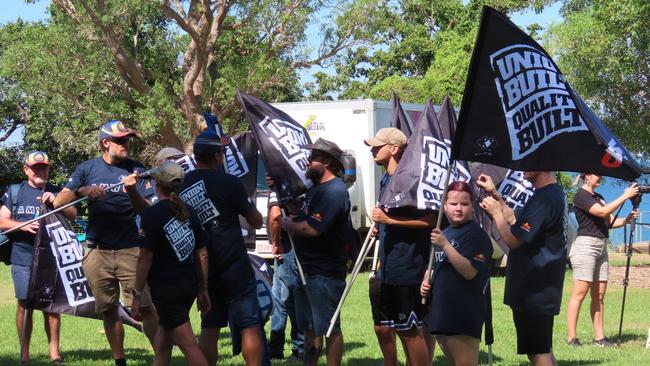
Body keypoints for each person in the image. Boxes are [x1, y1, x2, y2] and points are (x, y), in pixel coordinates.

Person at [53, 120, 158, 366]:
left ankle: (160, 357)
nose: (126, 144)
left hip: (131, 250)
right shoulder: (86, 169)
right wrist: (84, 190)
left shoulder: (137, 170)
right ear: (105, 142)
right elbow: (59, 203)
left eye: (127, 140)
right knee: (108, 309)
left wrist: (132, 191)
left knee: (145, 307)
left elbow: (149, 211)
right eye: (120, 140)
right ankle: (119, 360)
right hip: (97, 252)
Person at [179, 131, 264, 366]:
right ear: (217, 156)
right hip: (234, 263)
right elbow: (256, 221)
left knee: (210, 326)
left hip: (201, 265)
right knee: (249, 324)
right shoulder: (230, 182)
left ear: (196, 157)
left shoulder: (182, 184)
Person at [479, 171, 568, 366]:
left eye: (529, 163)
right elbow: (514, 220)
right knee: (542, 348)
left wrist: (495, 214)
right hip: (541, 285)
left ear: (544, 165)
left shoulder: (545, 198)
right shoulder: (551, 193)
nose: (523, 169)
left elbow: (513, 240)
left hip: (534, 288)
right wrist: (497, 196)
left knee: (538, 352)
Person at [364, 128, 435, 366]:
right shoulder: (386, 178)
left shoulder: (409, 178)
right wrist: (381, 228)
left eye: (377, 145)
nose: (373, 149)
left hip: (408, 266)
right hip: (389, 265)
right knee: (396, 327)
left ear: (394, 149)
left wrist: (389, 221)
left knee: (409, 330)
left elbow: (431, 219)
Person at [0, 151, 77, 363]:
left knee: (50, 306)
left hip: (50, 260)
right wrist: (23, 226)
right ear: (26, 170)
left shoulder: (56, 191)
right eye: (35, 168)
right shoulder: (15, 191)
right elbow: (2, 222)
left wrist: (57, 201)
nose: (40, 171)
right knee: (24, 304)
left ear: (49, 169)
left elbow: (73, 213)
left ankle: (55, 353)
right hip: (23, 257)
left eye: (44, 167)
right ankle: (24, 353)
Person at [281, 138, 351, 366]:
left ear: (327, 162)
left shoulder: (335, 192)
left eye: (313, 159)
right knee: (310, 327)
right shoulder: (317, 189)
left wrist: (286, 225)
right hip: (306, 270)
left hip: (325, 272)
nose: (308, 162)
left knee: (329, 327)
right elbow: (304, 216)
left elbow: (312, 229)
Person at [132, 161, 210, 366]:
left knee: (188, 345)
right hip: (189, 286)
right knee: (163, 342)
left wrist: (137, 295)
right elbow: (202, 254)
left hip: (167, 291)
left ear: (158, 183)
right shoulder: (190, 211)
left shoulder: (151, 214)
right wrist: (203, 289)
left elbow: (144, 258)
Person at [420, 181, 493, 366]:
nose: (458, 209)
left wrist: (445, 245)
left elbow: (470, 272)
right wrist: (426, 279)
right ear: (444, 206)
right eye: (453, 204)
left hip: (464, 312)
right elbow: (434, 264)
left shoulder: (477, 235)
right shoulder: (443, 232)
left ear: (472, 206)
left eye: (465, 204)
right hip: (442, 310)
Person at [566, 174, 639, 347]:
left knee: (599, 296)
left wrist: (627, 220)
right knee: (580, 293)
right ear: (586, 176)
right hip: (586, 247)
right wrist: (625, 195)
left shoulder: (599, 197)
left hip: (601, 247)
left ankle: (599, 338)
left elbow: (610, 221)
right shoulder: (581, 196)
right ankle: (571, 338)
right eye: (596, 175)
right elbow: (602, 212)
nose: (600, 178)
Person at [267, 189, 305, 361]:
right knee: (283, 299)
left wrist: (276, 243)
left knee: (287, 301)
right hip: (298, 244)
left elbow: (275, 216)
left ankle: (297, 349)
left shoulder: (280, 187)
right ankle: (277, 349)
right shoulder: (300, 183)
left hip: (286, 247)